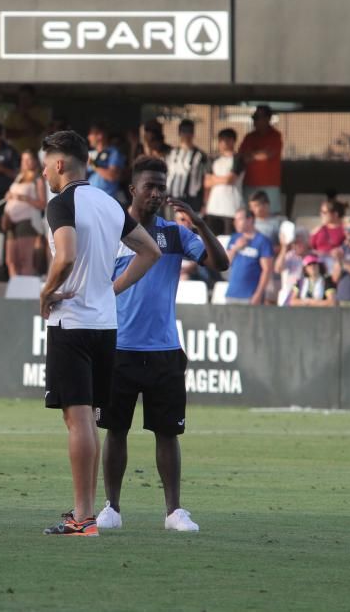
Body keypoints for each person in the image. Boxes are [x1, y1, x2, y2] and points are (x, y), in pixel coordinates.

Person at [95, 156, 229, 534]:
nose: (156, 193)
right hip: (119, 347)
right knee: (115, 430)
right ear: (133, 189)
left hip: (164, 350)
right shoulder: (113, 232)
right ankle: (112, 507)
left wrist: (200, 224)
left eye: (161, 187)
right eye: (149, 186)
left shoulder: (174, 234)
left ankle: (174, 512)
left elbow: (221, 263)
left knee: (167, 432)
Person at [38, 130, 160, 537]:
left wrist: (47, 291)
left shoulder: (61, 203)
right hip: (105, 325)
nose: (43, 171)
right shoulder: (109, 203)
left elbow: (66, 253)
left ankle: (83, 517)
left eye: (45, 164)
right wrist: (113, 289)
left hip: (71, 322)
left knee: (78, 422)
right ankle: (85, 511)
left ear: (59, 164)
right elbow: (150, 252)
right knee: (88, 418)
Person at [2, 150, 46, 277]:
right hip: (11, 221)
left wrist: (25, 198)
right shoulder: (19, 177)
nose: (25, 163)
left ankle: (25, 291)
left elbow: (42, 204)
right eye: (23, 160)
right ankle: (14, 288)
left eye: (28, 160)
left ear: (35, 161)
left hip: (27, 221)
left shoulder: (38, 179)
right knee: (10, 260)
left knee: (25, 259)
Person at [225, 207, 274, 305]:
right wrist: (235, 249)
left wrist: (258, 294)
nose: (235, 222)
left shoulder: (263, 241)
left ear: (250, 219)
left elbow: (267, 270)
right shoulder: (234, 238)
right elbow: (226, 263)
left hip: (250, 295)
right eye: (235, 219)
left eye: (239, 219)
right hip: (232, 294)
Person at [240, 105, 283, 213]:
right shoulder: (249, 137)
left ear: (267, 119)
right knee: (249, 214)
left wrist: (252, 154)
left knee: (270, 214)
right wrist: (259, 154)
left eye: (257, 117)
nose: (254, 120)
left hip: (270, 184)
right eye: (253, 117)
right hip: (249, 184)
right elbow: (243, 157)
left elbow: (267, 155)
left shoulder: (275, 135)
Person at [204, 128, 244, 236]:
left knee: (228, 238)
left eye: (227, 140)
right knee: (212, 239)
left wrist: (214, 179)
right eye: (221, 140)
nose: (223, 143)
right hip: (213, 207)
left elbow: (230, 179)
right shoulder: (213, 159)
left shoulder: (238, 159)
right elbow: (207, 183)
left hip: (231, 208)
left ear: (233, 141)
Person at [166, 119, 208, 213]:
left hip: (192, 200)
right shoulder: (171, 153)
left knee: (189, 227)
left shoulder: (200, 155)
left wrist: (205, 203)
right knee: (170, 226)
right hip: (171, 198)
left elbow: (206, 180)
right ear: (179, 133)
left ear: (193, 133)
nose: (187, 134)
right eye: (184, 131)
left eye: (190, 131)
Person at [4, 85, 51, 155]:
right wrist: (25, 132)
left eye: (26, 97)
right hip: (16, 154)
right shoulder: (13, 113)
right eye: (21, 98)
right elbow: (6, 134)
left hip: (35, 153)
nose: (23, 100)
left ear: (32, 98)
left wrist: (25, 116)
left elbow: (38, 131)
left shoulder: (40, 112)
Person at [86, 123, 125, 201]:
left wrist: (93, 164)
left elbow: (113, 176)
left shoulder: (113, 153)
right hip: (90, 199)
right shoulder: (90, 154)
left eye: (91, 134)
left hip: (106, 199)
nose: (88, 137)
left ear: (100, 135)